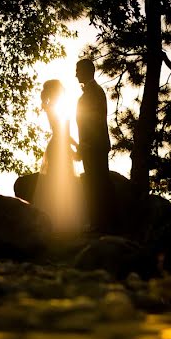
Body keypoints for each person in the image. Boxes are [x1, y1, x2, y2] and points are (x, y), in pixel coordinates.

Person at [35, 79, 82, 233]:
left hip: (58, 144)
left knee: (59, 181)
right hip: (59, 147)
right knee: (60, 180)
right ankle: (59, 220)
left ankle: (57, 218)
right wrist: (76, 147)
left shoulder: (52, 107)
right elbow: (63, 133)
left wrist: (74, 145)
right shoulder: (56, 108)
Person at [74, 58, 114, 231]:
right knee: (94, 183)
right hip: (91, 145)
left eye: (78, 70)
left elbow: (95, 121)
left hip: (94, 146)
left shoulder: (94, 92)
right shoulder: (90, 92)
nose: (75, 74)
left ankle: (101, 223)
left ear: (86, 71)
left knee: (97, 184)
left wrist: (86, 144)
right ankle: (99, 222)